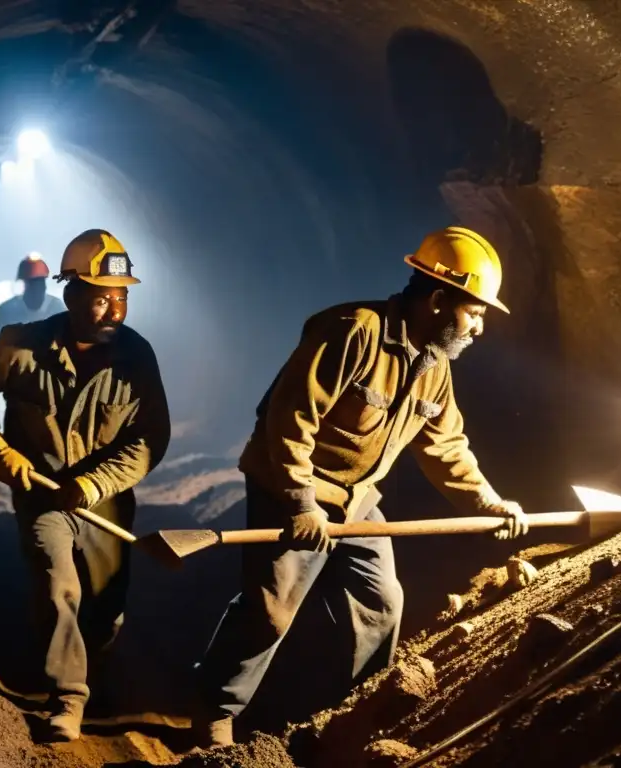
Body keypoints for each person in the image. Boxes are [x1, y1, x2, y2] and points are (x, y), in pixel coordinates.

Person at [192, 226, 530, 747]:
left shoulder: (434, 367)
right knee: (271, 610)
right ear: (439, 299)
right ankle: (214, 712)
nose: (480, 327)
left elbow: (446, 446)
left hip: (358, 500)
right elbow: (290, 418)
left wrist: (489, 501)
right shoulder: (353, 330)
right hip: (292, 486)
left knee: (382, 601)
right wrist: (300, 502)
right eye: (475, 312)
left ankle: (357, 713)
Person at [0, 229, 170, 742]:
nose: (115, 311)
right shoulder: (21, 346)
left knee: (105, 612)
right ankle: (68, 696)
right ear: (71, 294)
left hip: (107, 503)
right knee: (58, 584)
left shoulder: (136, 358)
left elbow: (149, 439)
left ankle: (90, 658)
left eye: (121, 297)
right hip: (43, 494)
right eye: (101, 298)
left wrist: (95, 484)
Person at [0, 253, 66, 338]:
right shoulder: (7, 310)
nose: (36, 288)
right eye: (32, 283)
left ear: (44, 285)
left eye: (40, 282)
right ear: (25, 284)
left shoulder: (57, 308)